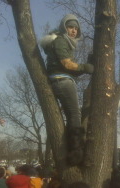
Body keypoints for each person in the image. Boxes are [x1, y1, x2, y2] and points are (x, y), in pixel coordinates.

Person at [40, 14, 94, 166]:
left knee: (72, 115)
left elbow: (69, 66)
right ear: (64, 27)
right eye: (70, 27)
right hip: (62, 80)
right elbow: (67, 64)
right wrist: (86, 67)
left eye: (76, 28)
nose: (73, 31)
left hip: (60, 79)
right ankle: (76, 152)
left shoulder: (62, 42)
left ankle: (71, 148)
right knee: (75, 114)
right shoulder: (61, 40)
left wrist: (84, 68)